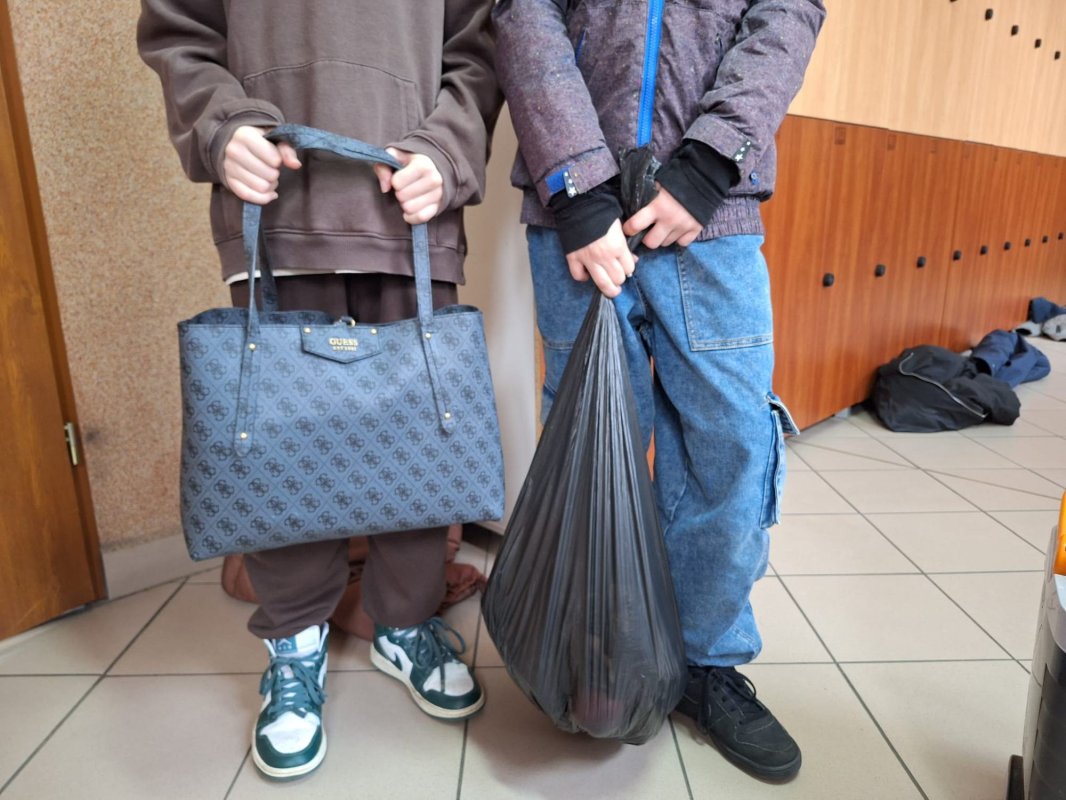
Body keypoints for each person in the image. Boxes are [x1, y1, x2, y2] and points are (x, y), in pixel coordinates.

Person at [138, 0, 500, 780]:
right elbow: (179, 30)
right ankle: (295, 641)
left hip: (411, 208)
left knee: (416, 442)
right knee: (282, 446)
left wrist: (447, 148)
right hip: (276, 207)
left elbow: (478, 45)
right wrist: (221, 127)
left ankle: (406, 623)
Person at [493, 0, 824, 781]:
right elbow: (524, 14)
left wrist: (709, 162)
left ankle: (704, 663)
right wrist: (577, 185)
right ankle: (602, 649)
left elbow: (786, 15)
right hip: (578, 221)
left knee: (731, 446)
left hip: (713, 217)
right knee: (591, 449)